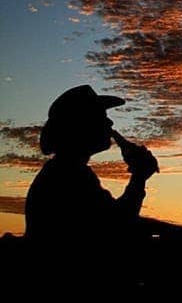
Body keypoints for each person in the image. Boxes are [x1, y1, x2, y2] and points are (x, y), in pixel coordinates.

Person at [25, 85, 159, 247]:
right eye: (100, 116)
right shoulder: (69, 175)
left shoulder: (66, 170)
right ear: (79, 125)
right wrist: (139, 176)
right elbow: (117, 226)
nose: (110, 122)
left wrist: (139, 176)